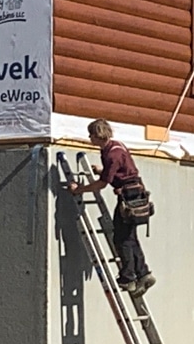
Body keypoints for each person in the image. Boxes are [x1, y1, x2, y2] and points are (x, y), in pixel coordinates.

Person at [66, 119, 157, 296]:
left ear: (97, 135)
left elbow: (102, 184)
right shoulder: (116, 147)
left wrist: (80, 189)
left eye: (91, 135)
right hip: (136, 192)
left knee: (121, 238)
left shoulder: (111, 155)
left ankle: (128, 278)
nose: (89, 138)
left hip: (129, 197)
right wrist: (104, 169)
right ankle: (143, 273)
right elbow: (121, 170)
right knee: (130, 237)